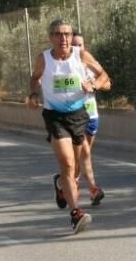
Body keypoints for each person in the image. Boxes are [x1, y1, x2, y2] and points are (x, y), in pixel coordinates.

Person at [27, 19, 109, 234]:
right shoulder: (43, 59)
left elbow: (103, 76)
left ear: (72, 36)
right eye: (57, 34)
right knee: (67, 162)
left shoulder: (80, 55)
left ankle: (62, 185)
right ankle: (75, 213)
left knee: (75, 167)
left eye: (66, 34)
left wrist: (93, 85)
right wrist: (33, 94)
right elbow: (35, 78)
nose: (63, 38)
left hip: (79, 115)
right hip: (55, 116)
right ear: (50, 37)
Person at [70, 32, 112, 206]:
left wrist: (95, 85)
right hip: (75, 114)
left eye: (80, 44)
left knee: (82, 154)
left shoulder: (91, 64)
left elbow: (108, 83)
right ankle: (93, 188)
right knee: (84, 152)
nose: (78, 48)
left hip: (92, 114)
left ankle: (70, 181)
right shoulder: (67, 66)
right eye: (74, 45)